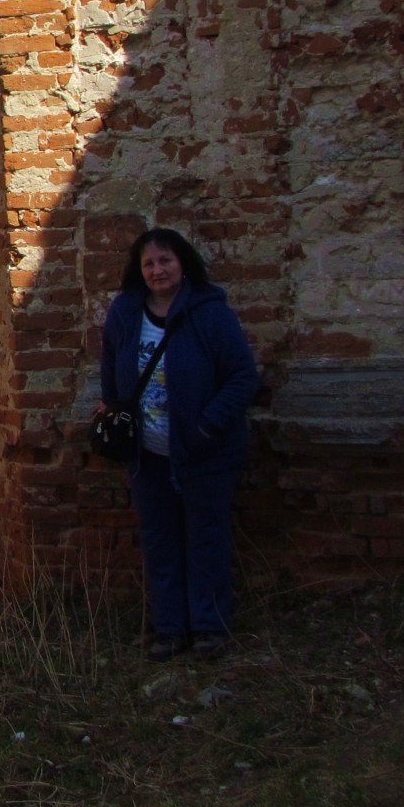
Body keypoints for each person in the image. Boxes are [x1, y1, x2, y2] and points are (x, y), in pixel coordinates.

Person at [96, 228, 260, 660]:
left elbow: (243, 377)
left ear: (182, 263)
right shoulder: (127, 312)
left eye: (165, 261)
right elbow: (111, 365)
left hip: (204, 450)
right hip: (147, 452)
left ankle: (209, 627)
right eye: (149, 263)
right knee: (159, 539)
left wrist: (207, 425)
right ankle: (169, 628)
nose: (157, 270)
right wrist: (115, 412)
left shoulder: (209, 313)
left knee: (206, 537)